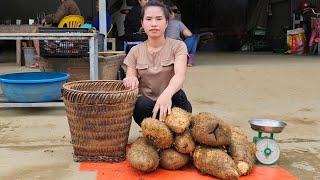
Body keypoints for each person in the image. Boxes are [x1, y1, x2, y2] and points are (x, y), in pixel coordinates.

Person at [123, 0, 192, 125]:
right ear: (142, 24)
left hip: (173, 105)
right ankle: (156, 131)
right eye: (148, 19)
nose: (154, 24)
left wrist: (166, 95)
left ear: (166, 23)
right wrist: (130, 80)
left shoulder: (178, 46)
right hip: (150, 109)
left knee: (179, 95)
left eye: (159, 19)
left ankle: (177, 130)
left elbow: (180, 75)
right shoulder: (135, 51)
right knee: (140, 103)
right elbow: (130, 75)